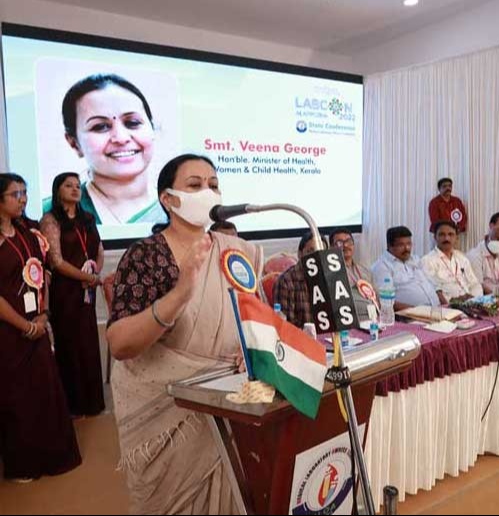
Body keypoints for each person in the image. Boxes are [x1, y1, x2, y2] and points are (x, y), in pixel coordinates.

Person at [106, 153, 263, 515]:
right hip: (170, 415)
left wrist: (252, 349)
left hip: (231, 402)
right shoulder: (146, 256)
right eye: (195, 185)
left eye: (213, 185)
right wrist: (179, 294)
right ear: (168, 199)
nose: (208, 192)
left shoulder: (233, 252)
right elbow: (120, 343)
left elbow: (256, 319)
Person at [0, 173, 81, 482]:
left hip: (37, 324)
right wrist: (24, 324)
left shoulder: (28, 232)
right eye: (15, 194)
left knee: (45, 391)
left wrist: (44, 315)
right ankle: (24, 465)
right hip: (10, 330)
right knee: (17, 397)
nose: (23, 199)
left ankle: (54, 457)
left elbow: (41, 276)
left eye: (24, 192)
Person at [45, 73, 165, 225]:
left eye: (132, 123)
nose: (121, 138)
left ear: (153, 129)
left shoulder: (179, 209)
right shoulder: (49, 212)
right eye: (100, 126)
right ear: (74, 143)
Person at [40, 173, 105, 417]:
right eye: (68, 186)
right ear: (58, 191)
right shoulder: (50, 220)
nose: (75, 189)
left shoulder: (88, 218)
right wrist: (86, 277)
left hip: (87, 290)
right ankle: (73, 405)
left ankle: (93, 403)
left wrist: (95, 273)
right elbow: (56, 261)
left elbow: (99, 249)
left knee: (88, 344)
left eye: (78, 185)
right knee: (70, 345)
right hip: (65, 291)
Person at [372, 226, 445, 310]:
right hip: (411, 314)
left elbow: (434, 285)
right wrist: (417, 311)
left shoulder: (415, 259)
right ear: (389, 246)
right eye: (401, 245)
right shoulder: (382, 266)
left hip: (437, 310)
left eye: (409, 244)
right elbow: (385, 300)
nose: (407, 248)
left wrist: (446, 305)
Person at [273, 232, 327, 328]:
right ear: (300, 254)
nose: (316, 257)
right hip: (300, 336)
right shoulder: (286, 281)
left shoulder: (330, 277)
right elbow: (286, 327)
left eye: (320, 252)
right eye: (310, 251)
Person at [422, 221, 482, 302]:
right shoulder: (428, 261)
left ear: (456, 238)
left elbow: (475, 284)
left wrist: (474, 299)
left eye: (450, 234)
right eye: (442, 234)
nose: (446, 238)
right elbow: (433, 291)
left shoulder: (462, 258)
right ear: (435, 237)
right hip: (448, 306)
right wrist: (454, 302)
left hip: (471, 304)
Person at [329, 227, 378, 320]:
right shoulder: (330, 274)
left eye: (349, 241)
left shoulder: (365, 271)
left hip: (373, 318)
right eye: (339, 243)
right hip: (349, 319)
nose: (345, 245)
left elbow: (376, 296)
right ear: (331, 248)